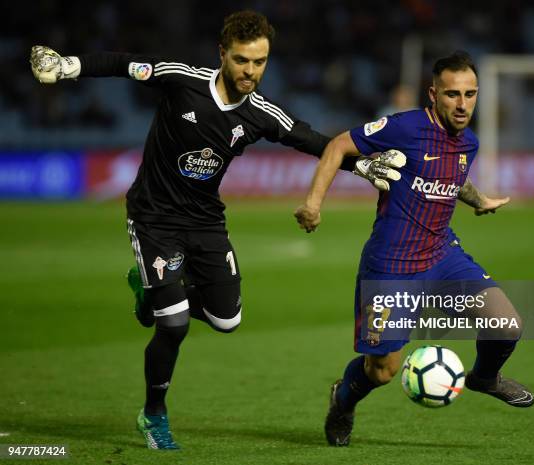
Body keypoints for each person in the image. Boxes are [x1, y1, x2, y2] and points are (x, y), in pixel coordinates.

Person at [29, 10, 404, 450]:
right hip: (154, 218)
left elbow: (308, 139)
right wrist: (68, 66)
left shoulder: (260, 112)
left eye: (260, 62)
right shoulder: (182, 79)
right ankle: (154, 414)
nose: (251, 71)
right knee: (173, 324)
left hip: (206, 221)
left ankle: (153, 289)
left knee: (228, 320)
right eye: (243, 60)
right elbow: (122, 63)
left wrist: (361, 165)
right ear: (222, 54)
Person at [294, 51, 534, 447]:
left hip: (442, 254)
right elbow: (338, 145)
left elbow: (449, 178)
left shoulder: (468, 142)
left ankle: (484, 378)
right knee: (382, 371)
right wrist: (314, 204)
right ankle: (343, 398)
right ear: (434, 94)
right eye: (453, 94)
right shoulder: (404, 127)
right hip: (392, 264)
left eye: (470, 94)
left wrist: (478, 200)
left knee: (507, 325)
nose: (463, 104)